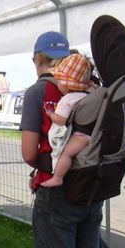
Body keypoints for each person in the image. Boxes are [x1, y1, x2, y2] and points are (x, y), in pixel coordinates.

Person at [20, 31, 109, 248]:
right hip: (90, 187)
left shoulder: (38, 92)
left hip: (55, 190)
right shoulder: (92, 89)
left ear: (37, 59)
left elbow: (29, 153)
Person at [41, 53, 94, 187]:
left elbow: (61, 120)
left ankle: (58, 177)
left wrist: (50, 114)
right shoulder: (89, 93)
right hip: (95, 133)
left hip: (81, 136)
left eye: (59, 80)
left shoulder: (67, 100)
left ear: (66, 83)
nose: (57, 83)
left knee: (66, 154)